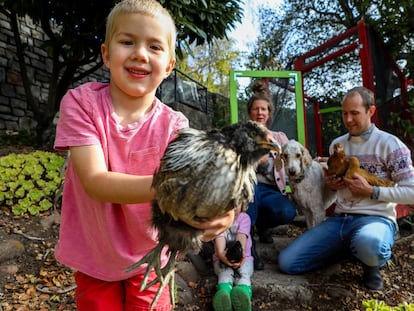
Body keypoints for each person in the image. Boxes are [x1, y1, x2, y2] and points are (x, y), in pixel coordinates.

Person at [53, 1, 234, 310]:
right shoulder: (81, 104)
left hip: (151, 257)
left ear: (169, 66)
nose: (139, 53)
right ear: (106, 55)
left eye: (154, 46)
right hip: (95, 255)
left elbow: (195, 194)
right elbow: (95, 181)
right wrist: (173, 189)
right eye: (127, 42)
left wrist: (218, 215)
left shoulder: (176, 126)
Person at [278, 86, 414, 290]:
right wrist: (332, 185)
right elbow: (333, 188)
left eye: (355, 113)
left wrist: (372, 191)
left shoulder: (391, 145)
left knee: (370, 243)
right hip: (339, 220)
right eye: (344, 113)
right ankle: (347, 249)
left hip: (375, 218)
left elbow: (411, 192)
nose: (348, 119)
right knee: (287, 262)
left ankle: (372, 263)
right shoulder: (337, 145)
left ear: (371, 111)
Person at [245, 80, 297, 270]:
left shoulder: (280, 137)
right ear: (250, 112)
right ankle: (249, 248)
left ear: (269, 113)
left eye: (264, 109)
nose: (260, 113)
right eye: (256, 109)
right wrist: (257, 159)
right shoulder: (242, 135)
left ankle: (263, 225)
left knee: (287, 212)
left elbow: (293, 161)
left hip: (271, 190)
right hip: (248, 187)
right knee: (250, 195)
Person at [212, 205, 254, 311]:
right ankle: (224, 296)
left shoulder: (244, 218)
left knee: (244, 274)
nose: (234, 208)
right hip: (222, 259)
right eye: (230, 204)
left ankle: (243, 296)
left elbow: (242, 237)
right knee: (224, 273)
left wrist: (241, 254)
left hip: (244, 258)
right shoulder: (219, 220)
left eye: (237, 204)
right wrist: (222, 255)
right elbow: (220, 238)